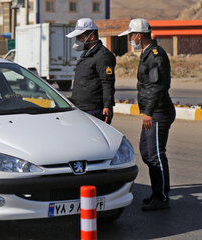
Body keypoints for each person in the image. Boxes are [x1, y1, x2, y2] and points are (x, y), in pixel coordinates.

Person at [119, 18, 176, 211]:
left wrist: (149, 112)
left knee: (155, 155)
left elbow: (157, 86)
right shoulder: (146, 54)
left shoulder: (155, 55)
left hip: (159, 112)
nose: (129, 39)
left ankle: (161, 197)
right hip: (153, 112)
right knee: (146, 152)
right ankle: (158, 192)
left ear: (138, 35)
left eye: (130, 35)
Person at [66, 18, 116, 124]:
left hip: (94, 111)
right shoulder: (86, 54)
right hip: (81, 109)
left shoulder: (103, 56)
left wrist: (107, 106)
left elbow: (107, 83)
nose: (77, 40)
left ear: (92, 36)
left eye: (80, 37)